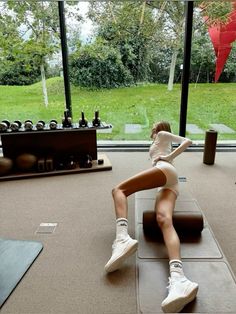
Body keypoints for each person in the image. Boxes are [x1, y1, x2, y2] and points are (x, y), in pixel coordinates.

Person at [104, 121, 199, 313]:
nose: (153, 129)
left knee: (119, 190)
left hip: (165, 170)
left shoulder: (162, 135)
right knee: (164, 220)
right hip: (169, 183)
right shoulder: (159, 140)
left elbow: (188, 141)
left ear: (160, 128)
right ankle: (180, 279)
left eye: (155, 127)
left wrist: (168, 157)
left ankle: (122, 238)